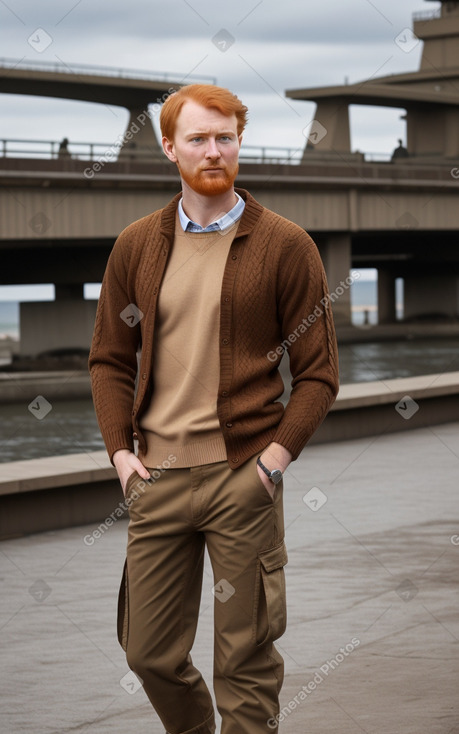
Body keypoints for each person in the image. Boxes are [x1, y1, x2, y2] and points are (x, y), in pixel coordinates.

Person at [89, 83, 339, 734]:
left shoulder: (285, 246)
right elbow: (110, 360)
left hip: (242, 478)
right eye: (196, 138)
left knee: (245, 663)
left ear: (239, 142)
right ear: (169, 148)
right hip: (156, 480)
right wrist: (120, 456)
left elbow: (316, 374)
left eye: (224, 136)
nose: (212, 150)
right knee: (147, 654)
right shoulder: (135, 246)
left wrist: (272, 464)